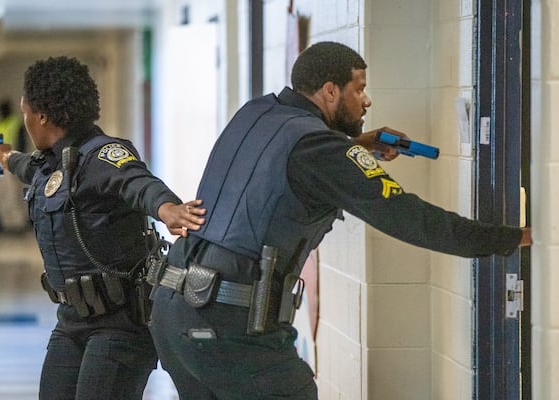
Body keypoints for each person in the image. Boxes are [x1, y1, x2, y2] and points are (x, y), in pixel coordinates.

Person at [147, 41, 532, 399]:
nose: (366, 101)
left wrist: (355, 145)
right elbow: (411, 218)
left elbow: (283, 160)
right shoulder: (320, 149)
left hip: (173, 314)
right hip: (229, 325)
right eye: (358, 89)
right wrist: (510, 238)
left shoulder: (256, 112)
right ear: (330, 91)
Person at [0, 56, 206, 400]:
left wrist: (168, 208)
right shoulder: (50, 164)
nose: (25, 119)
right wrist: (4, 156)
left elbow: (137, 182)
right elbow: (24, 166)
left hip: (119, 324)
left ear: (41, 116)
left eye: (25, 111)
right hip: (71, 320)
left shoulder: (104, 155)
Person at [0, 98, 29, 232]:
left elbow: (21, 143)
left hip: (10, 161)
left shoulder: (16, 123)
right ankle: (6, 224)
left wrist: (18, 163)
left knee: (12, 194)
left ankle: (17, 224)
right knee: (1, 193)